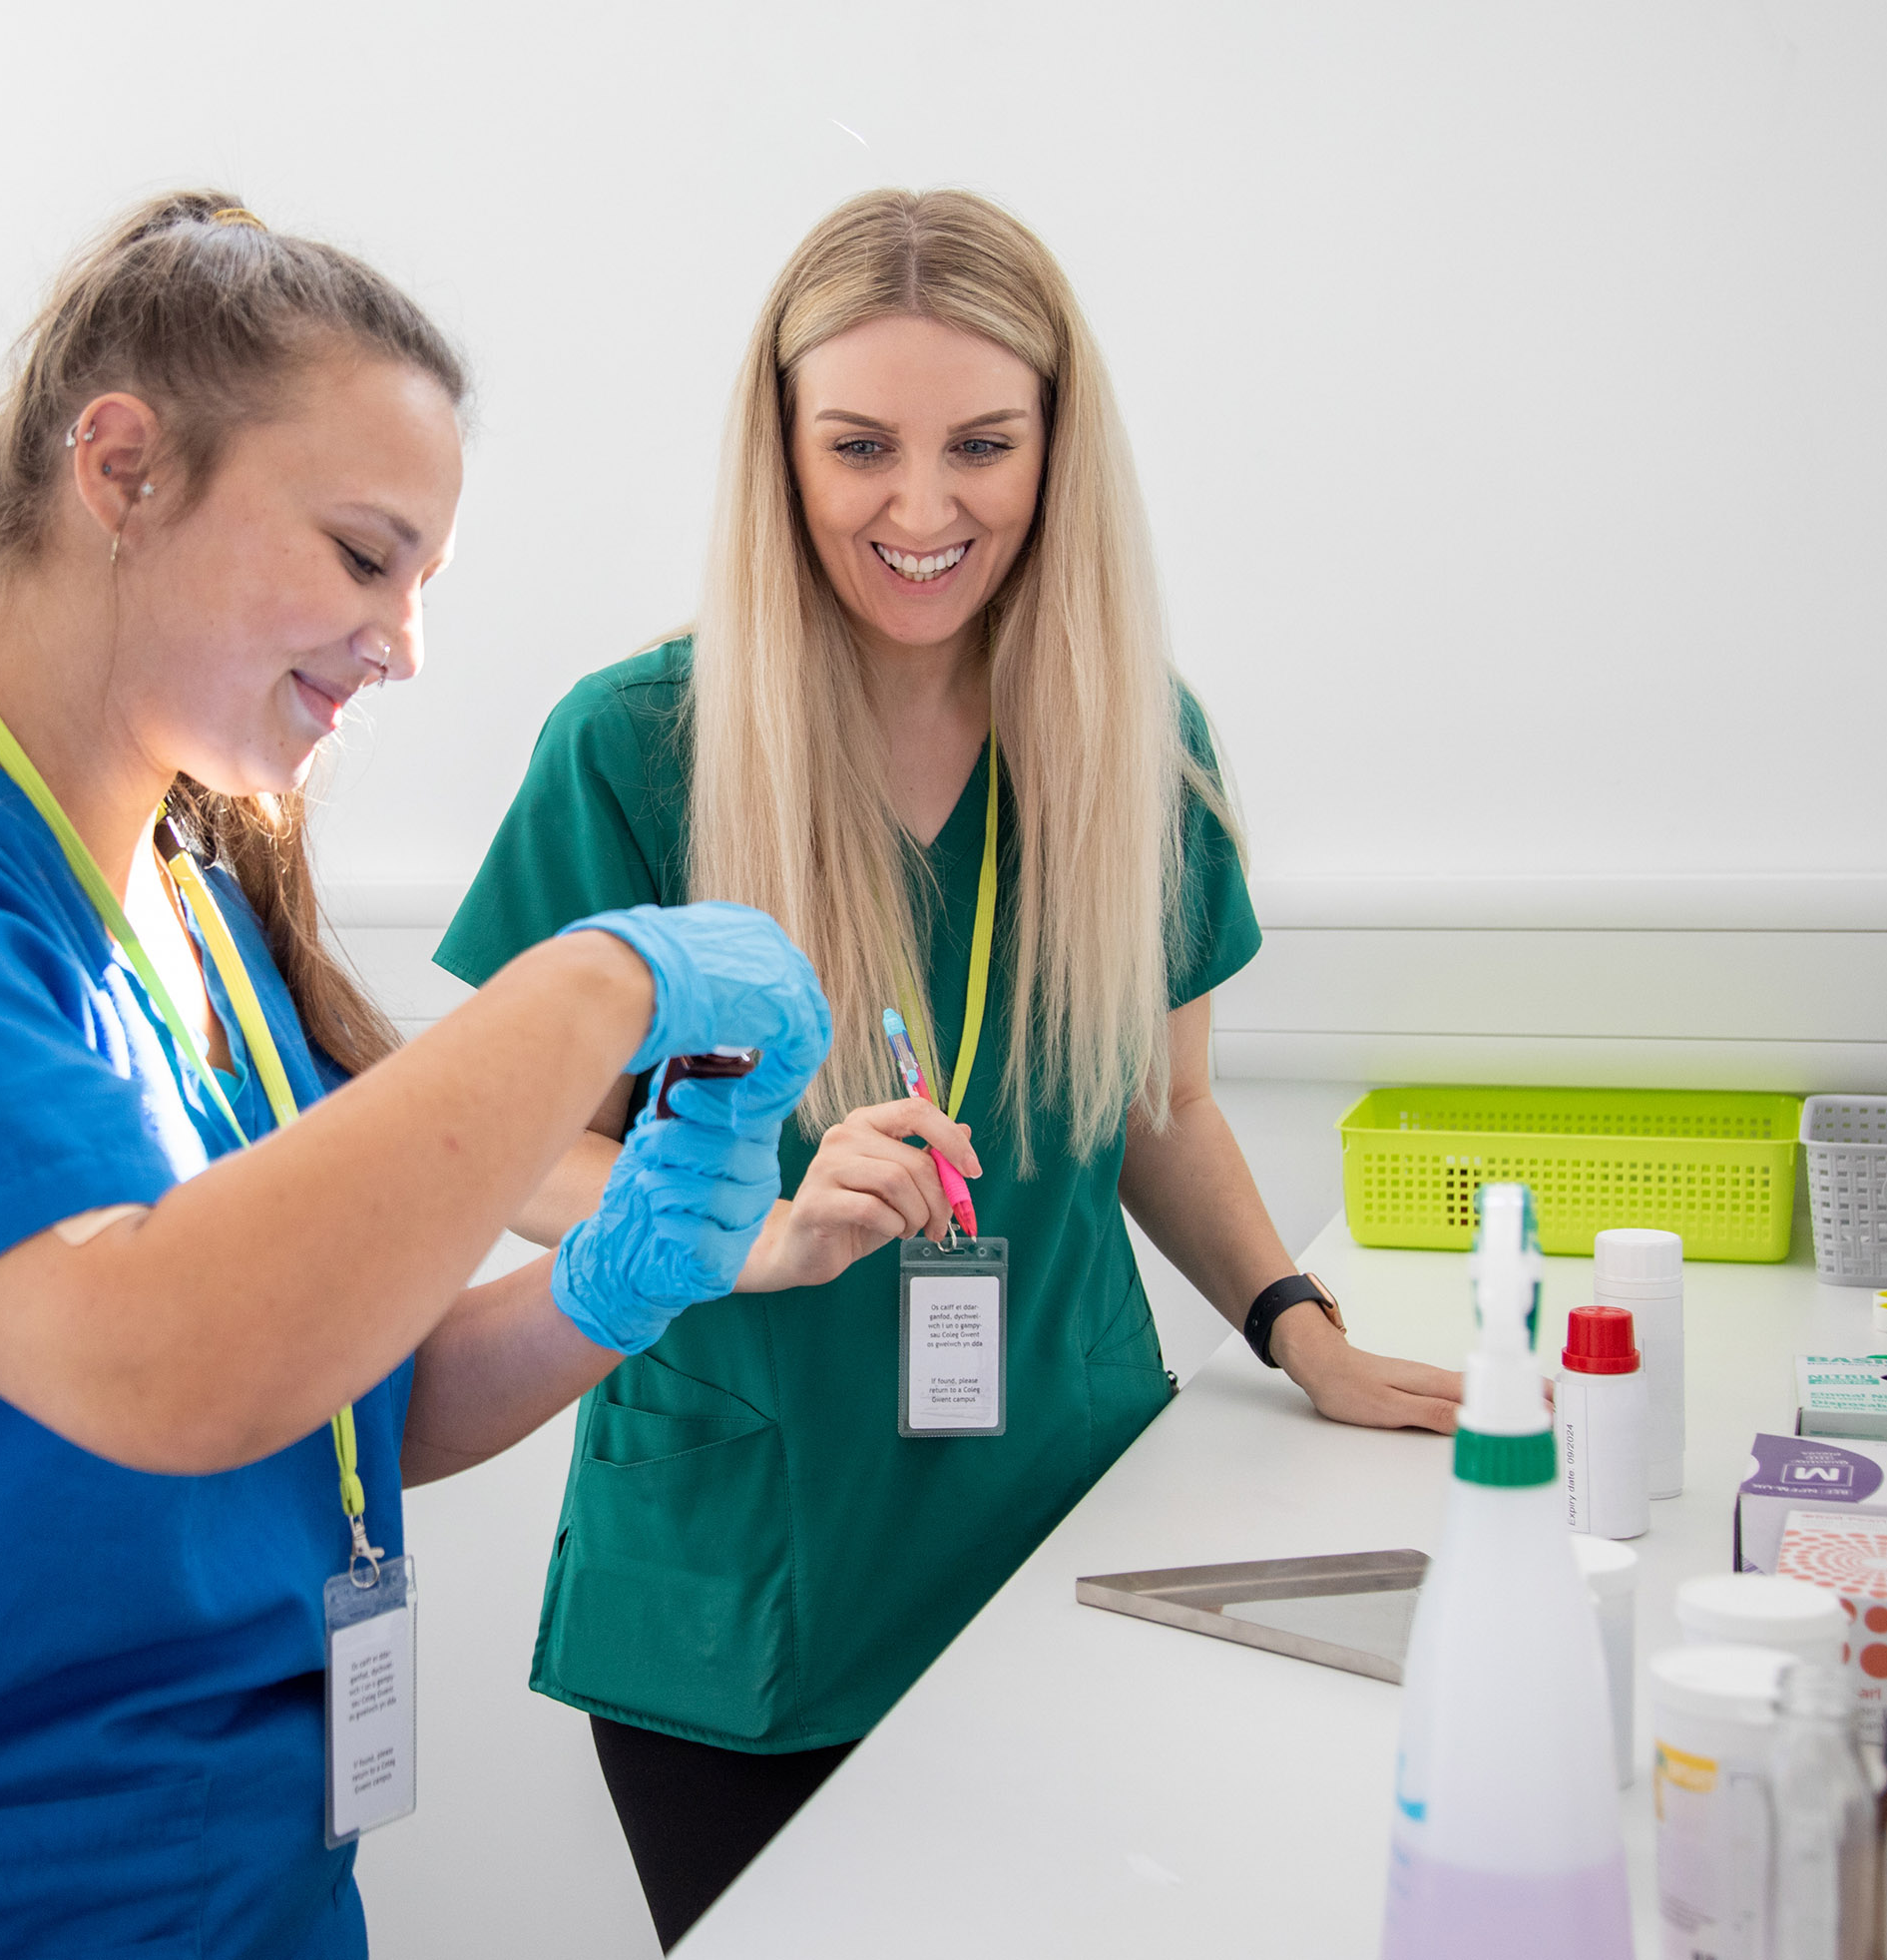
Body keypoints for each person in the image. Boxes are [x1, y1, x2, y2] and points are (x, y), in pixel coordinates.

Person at [0, 194, 830, 1960]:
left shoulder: (195, 908)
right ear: (123, 469)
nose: (404, 643)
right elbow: (166, 1359)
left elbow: (331, 1398)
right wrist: (600, 983)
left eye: (424, 581)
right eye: (362, 555)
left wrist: (613, 1292)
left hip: (239, 1888)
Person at [436, 187, 1467, 1948]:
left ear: (1059, 450)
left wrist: (1304, 1329)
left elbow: (1164, 1108)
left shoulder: (1140, 738)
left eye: (983, 443)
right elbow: (505, 1159)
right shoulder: (633, 750)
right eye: (860, 448)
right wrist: (740, 1228)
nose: (924, 509)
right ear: (782, 456)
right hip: (752, 1575)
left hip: (1062, 1523)